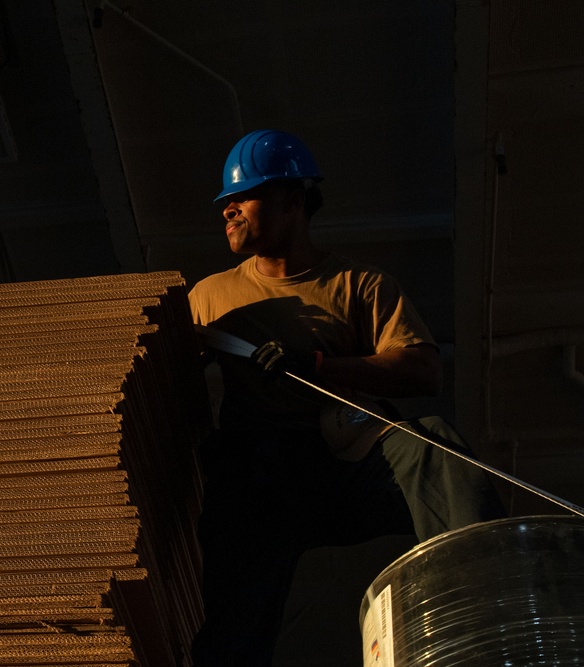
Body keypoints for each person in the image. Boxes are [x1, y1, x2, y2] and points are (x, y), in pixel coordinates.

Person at [187, 129, 506, 666]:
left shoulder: (359, 284)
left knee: (434, 446)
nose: (228, 212)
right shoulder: (210, 296)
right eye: (226, 204)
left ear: (292, 200)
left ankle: (479, 612)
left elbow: (423, 369)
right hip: (262, 479)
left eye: (242, 198)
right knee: (236, 589)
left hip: (343, 463)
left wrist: (315, 366)